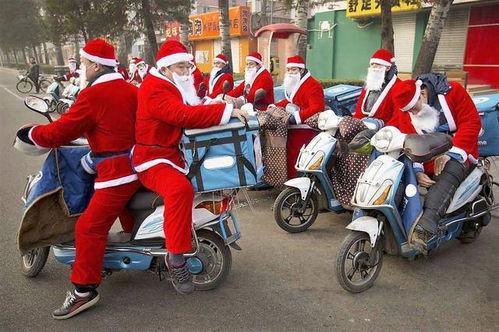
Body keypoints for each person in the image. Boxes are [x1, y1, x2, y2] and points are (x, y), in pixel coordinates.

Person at [16, 38, 140, 319]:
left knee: (88, 227)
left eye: (85, 63)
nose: (83, 68)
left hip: (115, 171)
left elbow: (62, 130)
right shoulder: (131, 89)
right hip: (136, 163)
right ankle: (125, 248)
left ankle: (83, 291)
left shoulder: (93, 95)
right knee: (121, 207)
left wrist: (33, 134)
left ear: (96, 65)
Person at [131, 40, 248, 295]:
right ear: (165, 68)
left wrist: (227, 105)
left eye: (187, 66)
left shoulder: (172, 84)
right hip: (152, 158)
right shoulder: (154, 88)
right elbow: (182, 115)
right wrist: (226, 111)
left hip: (172, 154)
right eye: (181, 67)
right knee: (179, 190)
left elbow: (193, 107)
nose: (187, 72)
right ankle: (176, 258)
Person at [391, 75, 481, 249]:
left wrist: (451, 153)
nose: (413, 113)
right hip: (426, 155)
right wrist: (417, 170)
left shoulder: (453, 91)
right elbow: (410, 142)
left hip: (458, 150)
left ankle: (426, 227)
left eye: (414, 108)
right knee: (401, 167)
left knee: (447, 172)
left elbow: (471, 123)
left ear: (421, 94)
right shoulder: (406, 110)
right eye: (409, 111)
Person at [272, 55, 325, 178]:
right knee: (290, 156)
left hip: (306, 128)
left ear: (301, 70)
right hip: (292, 127)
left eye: (294, 70)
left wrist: (296, 117)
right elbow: (289, 101)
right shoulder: (296, 83)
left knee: (297, 156)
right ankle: (290, 185)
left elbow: (317, 108)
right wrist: (272, 107)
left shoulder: (313, 85)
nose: (290, 73)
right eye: (289, 70)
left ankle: (299, 183)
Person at [353, 49, 400, 125]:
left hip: (384, 129)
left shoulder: (398, 86)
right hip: (364, 124)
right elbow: (358, 111)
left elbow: (397, 116)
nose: (374, 67)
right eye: (372, 64)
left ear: (388, 68)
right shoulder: (368, 85)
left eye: (378, 64)